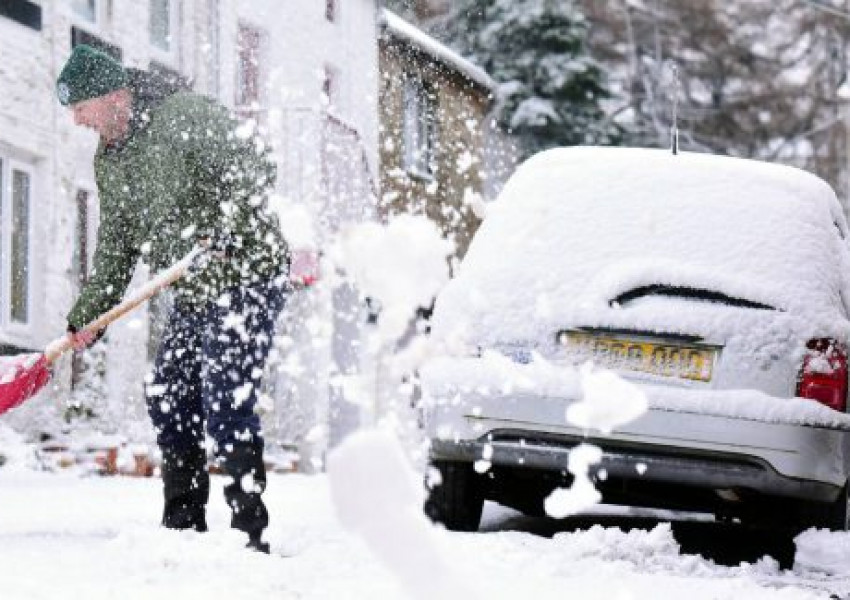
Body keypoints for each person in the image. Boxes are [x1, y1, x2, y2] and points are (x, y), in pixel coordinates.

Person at [56, 45, 290, 553]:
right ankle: (183, 526)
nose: (77, 121)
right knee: (169, 392)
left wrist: (227, 228)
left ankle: (249, 531)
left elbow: (255, 164)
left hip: (247, 272)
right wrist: (89, 316)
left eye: (81, 107)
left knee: (227, 398)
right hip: (194, 286)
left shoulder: (183, 114)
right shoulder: (112, 158)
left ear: (112, 94)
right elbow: (117, 246)